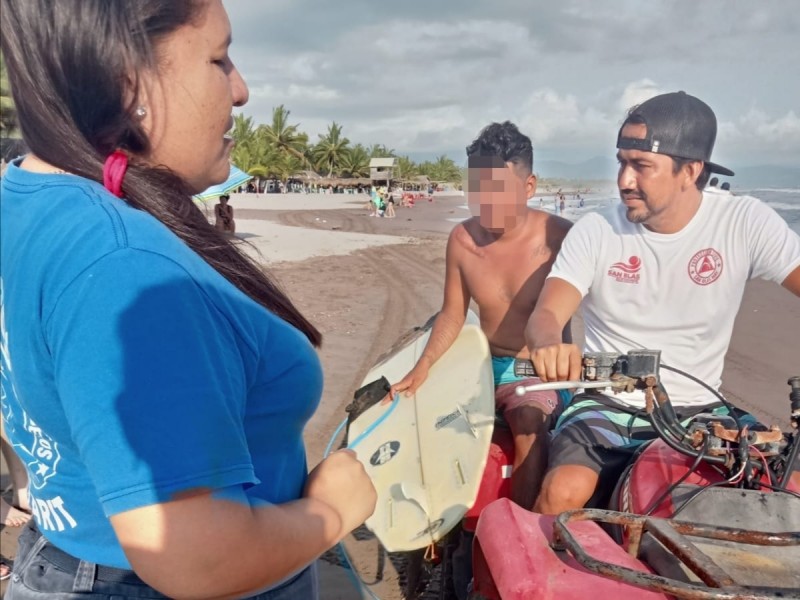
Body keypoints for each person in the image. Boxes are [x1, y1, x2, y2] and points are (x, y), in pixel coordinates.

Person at [0, 1, 376, 599]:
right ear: (129, 82)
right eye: (218, 58)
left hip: (62, 553)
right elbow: (197, 561)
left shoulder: (27, 189)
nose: (242, 89)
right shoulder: (124, 265)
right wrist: (331, 511)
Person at [526, 91, 800, 515]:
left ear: (690, 171)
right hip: (606, 407)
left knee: (784, 485)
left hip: (701, 412)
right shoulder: (597, 230)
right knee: (564, 492)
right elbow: (547, 313)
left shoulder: (743, 222)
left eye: (641, 166)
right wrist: (548, 344)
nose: (623, 180)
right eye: (621, 162)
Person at [392, 122, 572, 511]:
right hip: (483, 362)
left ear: (528, 186)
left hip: (534, 372)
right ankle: (435, 531)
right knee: (421, 413)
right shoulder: (463, 240)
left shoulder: (561, 238)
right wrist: (422, 368)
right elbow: (453, 314)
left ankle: (517, 527)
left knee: (527, 422)